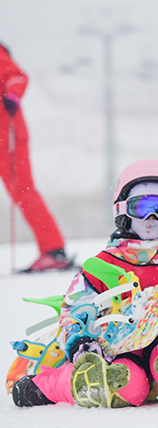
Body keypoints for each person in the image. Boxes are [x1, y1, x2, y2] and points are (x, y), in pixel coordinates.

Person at [12, 159, 158, 408]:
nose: (152, 218)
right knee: (126, 383)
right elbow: (74, 311)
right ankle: (51, 386)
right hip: (118, 353)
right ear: (122, 211)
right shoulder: (102, 267)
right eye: (142, 207)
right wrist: (80, 342)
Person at [0, 42, 72, 272]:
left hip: (7, 136)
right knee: (22, 191)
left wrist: (11, 95)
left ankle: (53, 251)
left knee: (23, 190)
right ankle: (53, 251)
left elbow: (16, 76)